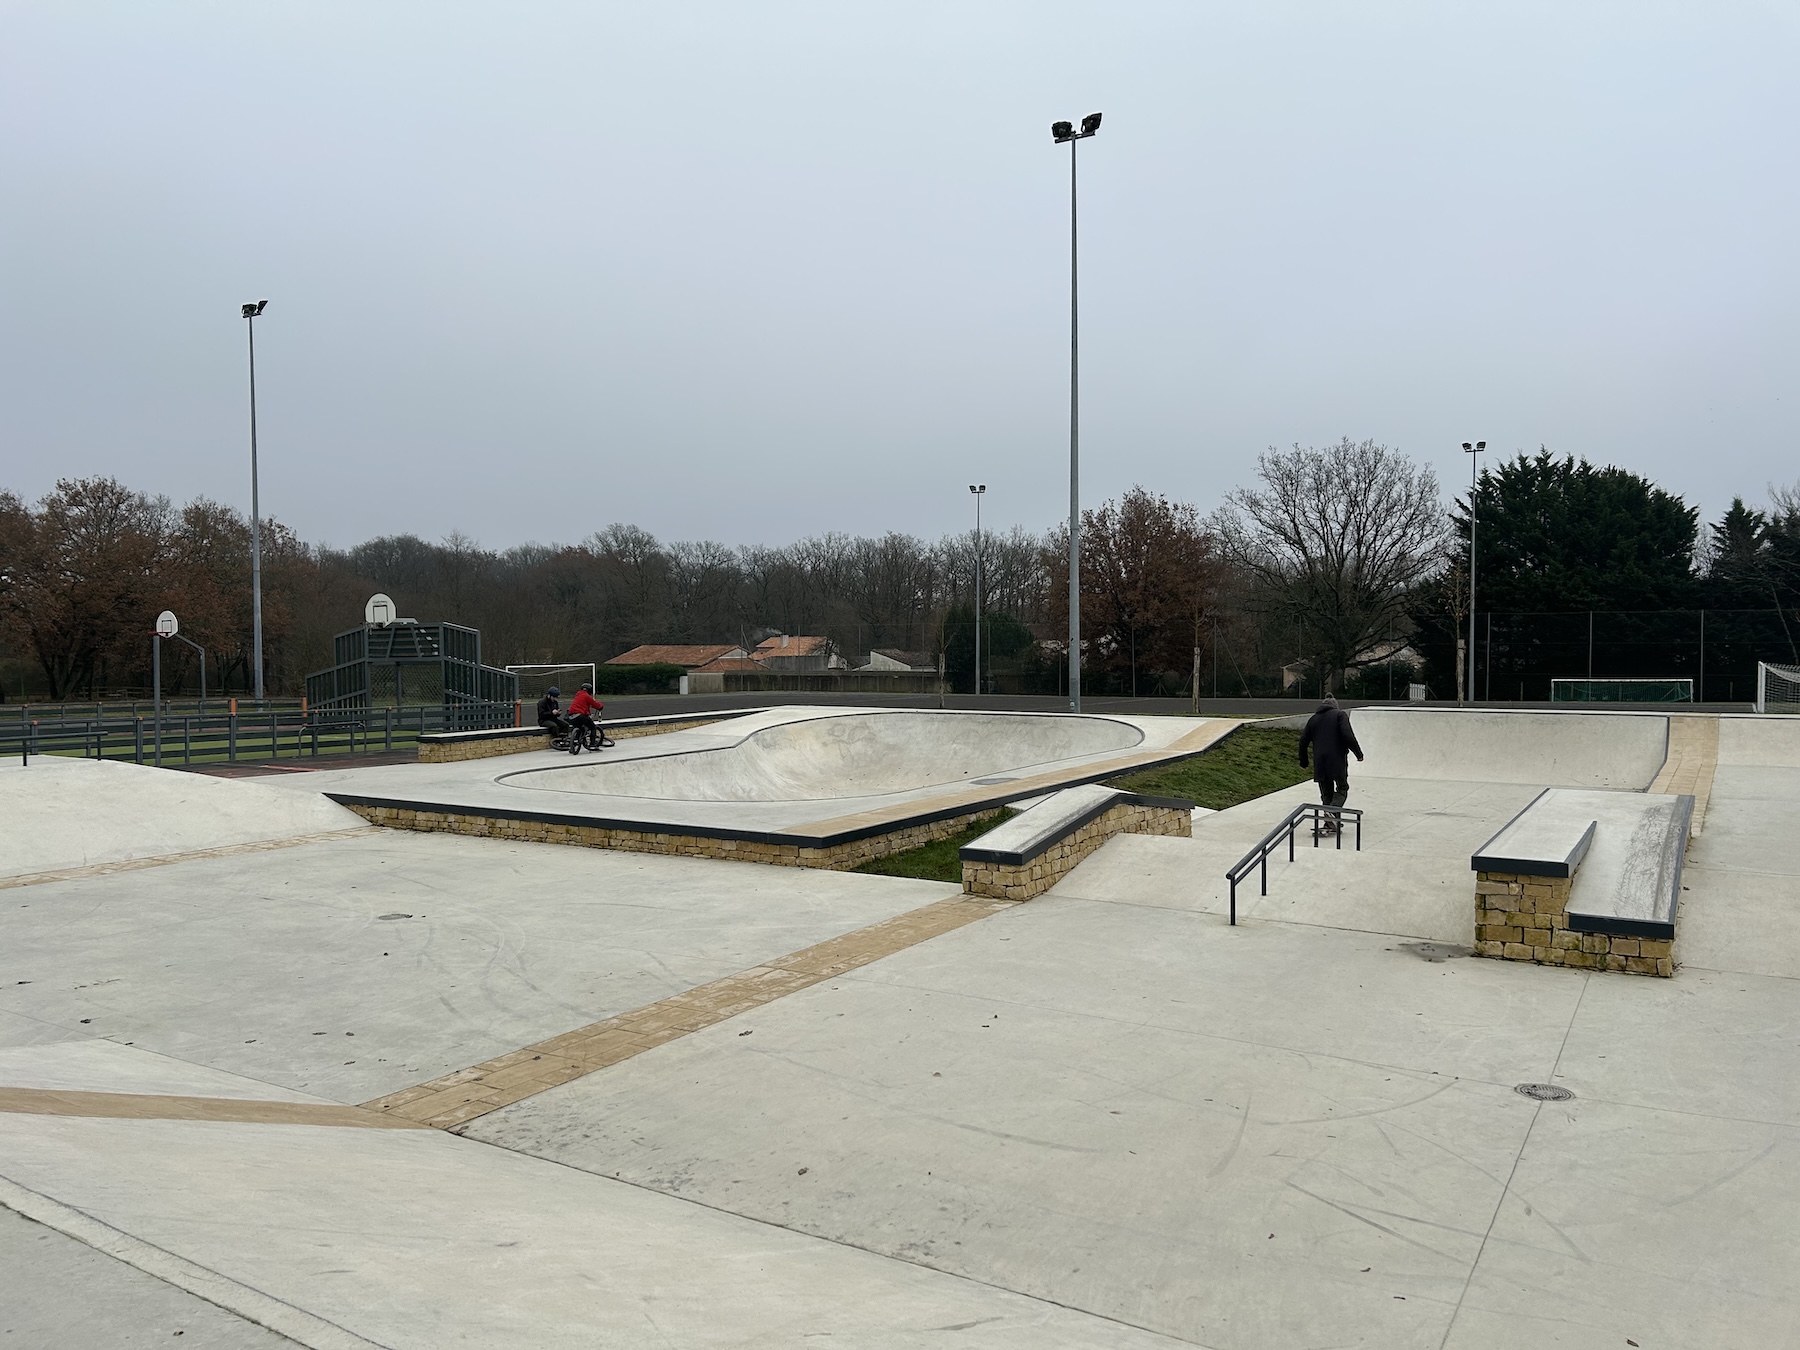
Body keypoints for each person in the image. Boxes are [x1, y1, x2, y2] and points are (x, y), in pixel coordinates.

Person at [1299, 693, 1363, 833]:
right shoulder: (1340, 715)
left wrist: (1304, 762)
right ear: (1335, 706)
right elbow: (1348, 735)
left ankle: (1330, 822)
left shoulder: (1313, 719)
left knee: (1326, 793)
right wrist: (1358, 754)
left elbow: (1303, 741)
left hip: (1320, 762)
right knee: (1342, 788)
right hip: (1337, 759)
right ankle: (1332, 813)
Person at [566, 682, 613, 749]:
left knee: (580, 728)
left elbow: (583, 706)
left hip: (571, 715)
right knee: (592, 727)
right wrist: (600, 706)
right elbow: (595, 704)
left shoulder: (577, 695)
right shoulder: (587, 696)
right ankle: (592, 744)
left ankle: (574, 745)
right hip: (580, 715)